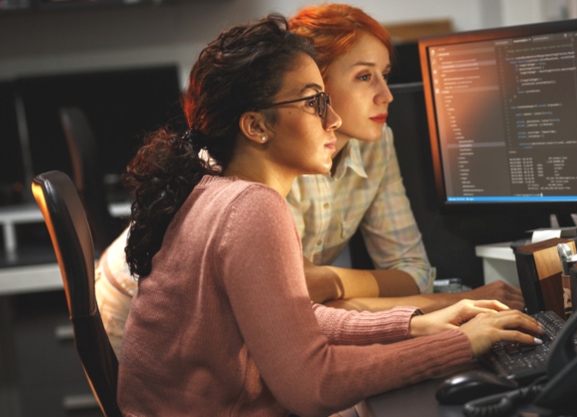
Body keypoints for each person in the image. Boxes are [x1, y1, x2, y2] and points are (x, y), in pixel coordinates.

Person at [116, 14, 542, 417]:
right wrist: (460, 346)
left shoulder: (218, 192)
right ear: (256, 127)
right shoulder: (252, 208)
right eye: (314, 102)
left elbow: (289, 319)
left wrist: (417, 325)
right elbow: (311, 386)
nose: (334, 118)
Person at [286, 3, 524, 312]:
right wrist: (453, 302)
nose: (386, 95)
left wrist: (334, 283)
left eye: (383, 75)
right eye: (363, 76)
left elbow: (414, 271)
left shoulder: (376, 143)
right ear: (314, 85)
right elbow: (292, 293)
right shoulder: (279, 156)